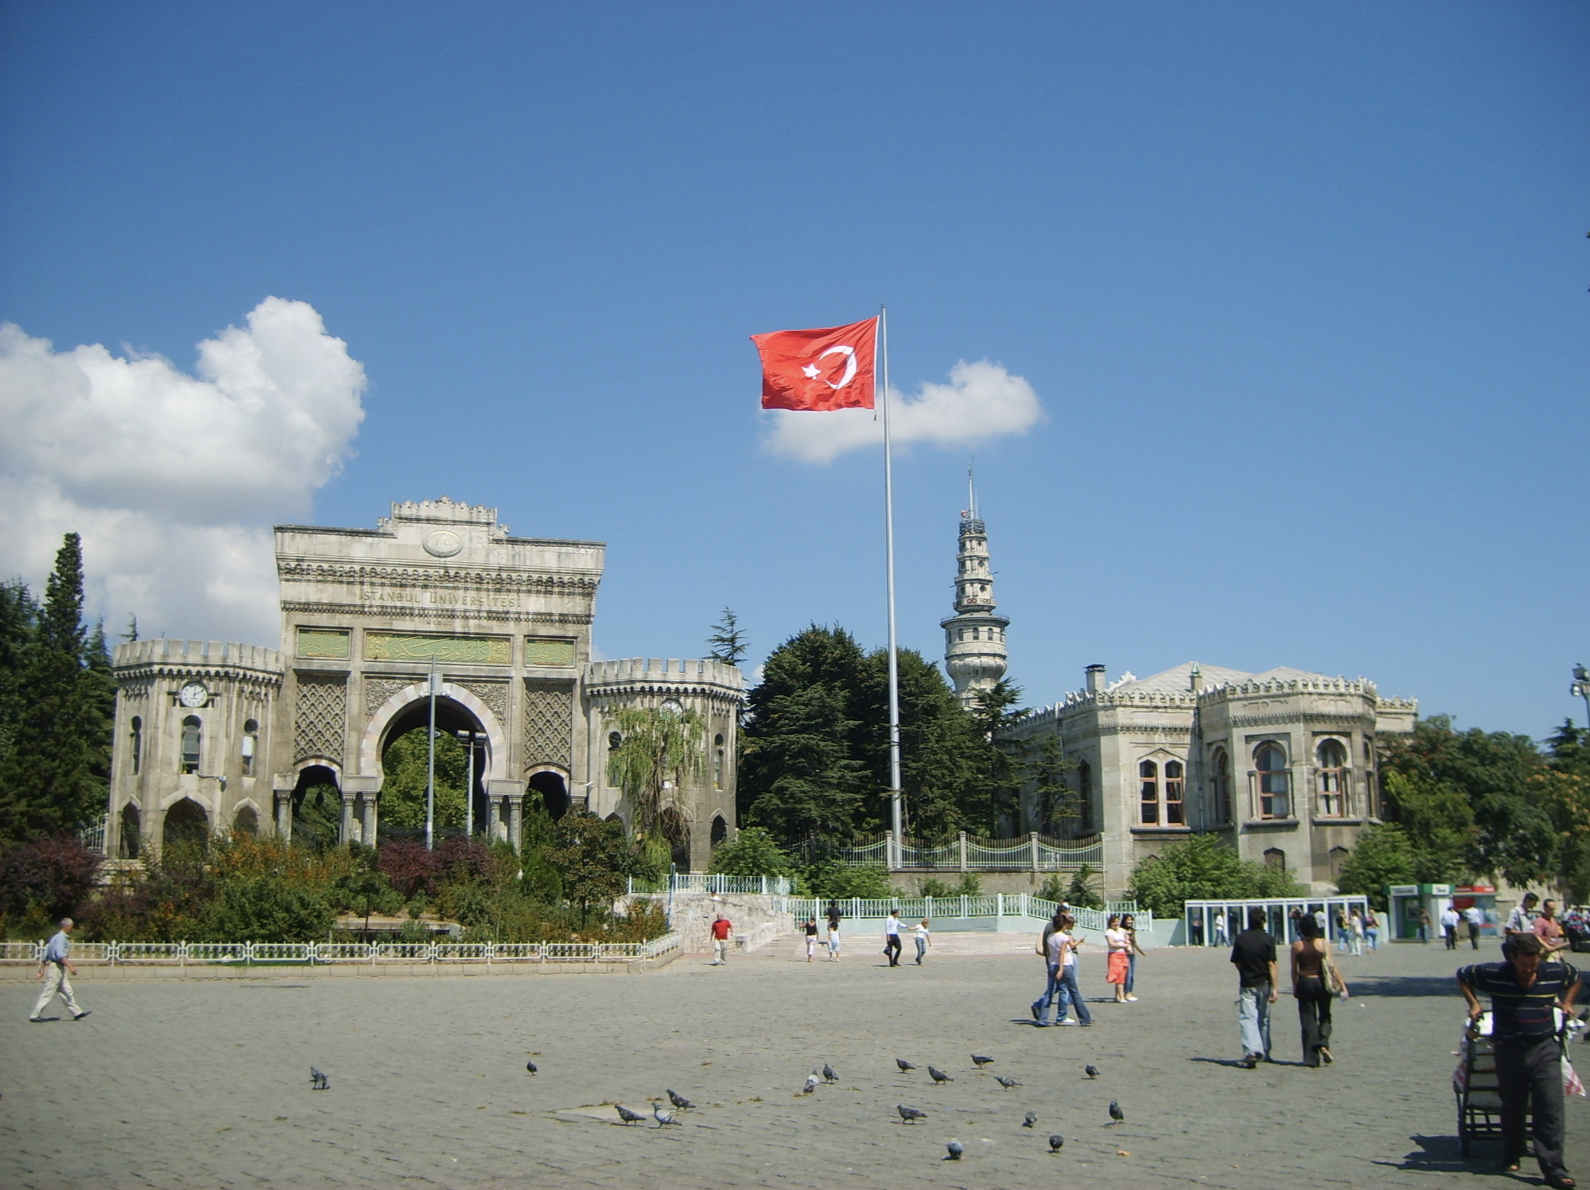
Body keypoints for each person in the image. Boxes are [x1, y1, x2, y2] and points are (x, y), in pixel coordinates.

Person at [1457, 933, 1581, 1189]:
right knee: (1513, 1105)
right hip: (1509, 1048)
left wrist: (1568, 1002)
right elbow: (1463, 974)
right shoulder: (1493, 973)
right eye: (1523, 965)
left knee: (1550, 1108)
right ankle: (1513, 1151)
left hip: (1545, 1047)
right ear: (1512, 958)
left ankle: (1553, 1168)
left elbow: (1576, 976)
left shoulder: (1554, 972)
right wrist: (1473, 1004)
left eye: (1533, 965)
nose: (1528, 970)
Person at [1291, 914, 1345, 1067]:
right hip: (1321, 981)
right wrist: (1341, 984)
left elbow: (1294, 970)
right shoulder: (1323, 944)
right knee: (1325, 1015)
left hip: (1305, 982)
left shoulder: (1297, 946)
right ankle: (1323, 1042)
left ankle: (1311, 1058)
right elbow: (1331, 966)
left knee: (1308, 1019)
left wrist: (1295, 987)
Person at [1231, 907, 1277, 1067]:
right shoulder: (1268, 939)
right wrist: (1275, 987)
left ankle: (1251, 1051)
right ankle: (1264, 1051)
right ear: (1263, 921)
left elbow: (1237, 962)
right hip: (1264, 983)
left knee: (1248, 1018)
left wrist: (1244, 972)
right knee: (1263, 1018)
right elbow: (1271, 964)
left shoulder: (1241, 938)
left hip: (1247, 982)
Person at [30, 918, 90, 1022]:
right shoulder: (61, 938)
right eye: (71, 926)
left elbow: (45, 955)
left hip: (58, 967)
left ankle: (77, 1012)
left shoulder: (55, 938)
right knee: (49, 991)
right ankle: (35, 1015)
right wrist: (71, 966)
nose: (72, 928)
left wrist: (41, 970)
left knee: (66, 990)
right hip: (56, 968)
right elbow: (60, 955)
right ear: (66, 926)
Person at [1052, 914, 1093, 1027]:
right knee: (1073, 991)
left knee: (1061, 989)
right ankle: (1084, 1018)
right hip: (1065, 964)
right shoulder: (1065, 936)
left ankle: (1059, 1015)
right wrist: (1080, 940)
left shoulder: (1051, 936)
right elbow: (1065, 951)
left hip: (1056, 964)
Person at [1031, 911, 1066, 1026]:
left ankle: (1043, 1013)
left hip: (1051, 960)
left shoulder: (1049, 926)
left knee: (1055, 987)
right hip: (1058, 961)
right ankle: (1061, 1016)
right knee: (1062, 988)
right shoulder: (1056, 929)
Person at [1104, 914, 1131, 1003]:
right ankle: (1121, 997)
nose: (1116, 923)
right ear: (1110, 923)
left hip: (1123, 954)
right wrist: (1122, 944)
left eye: (1117, 921)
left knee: (1122, 975)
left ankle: (1117, 996)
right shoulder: (1109, 932)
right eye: (1114, 922)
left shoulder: (1121, 930)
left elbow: (1127, 938)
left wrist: (1127, 942)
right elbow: (1111, 944)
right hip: (1114, 955)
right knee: (1118, 976)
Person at [1122, 913, 1146, 1001]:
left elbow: (1134, 942)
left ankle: (1129, 993)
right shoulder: (1121, 930)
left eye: (1131, 920)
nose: (1130, 922)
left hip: (1132, 954)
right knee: (1128, 975)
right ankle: (1126, 993)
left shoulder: (1132, 930)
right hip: (1125, 954)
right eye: (1128, 920)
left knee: (1132, 975)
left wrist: (1141, 952)